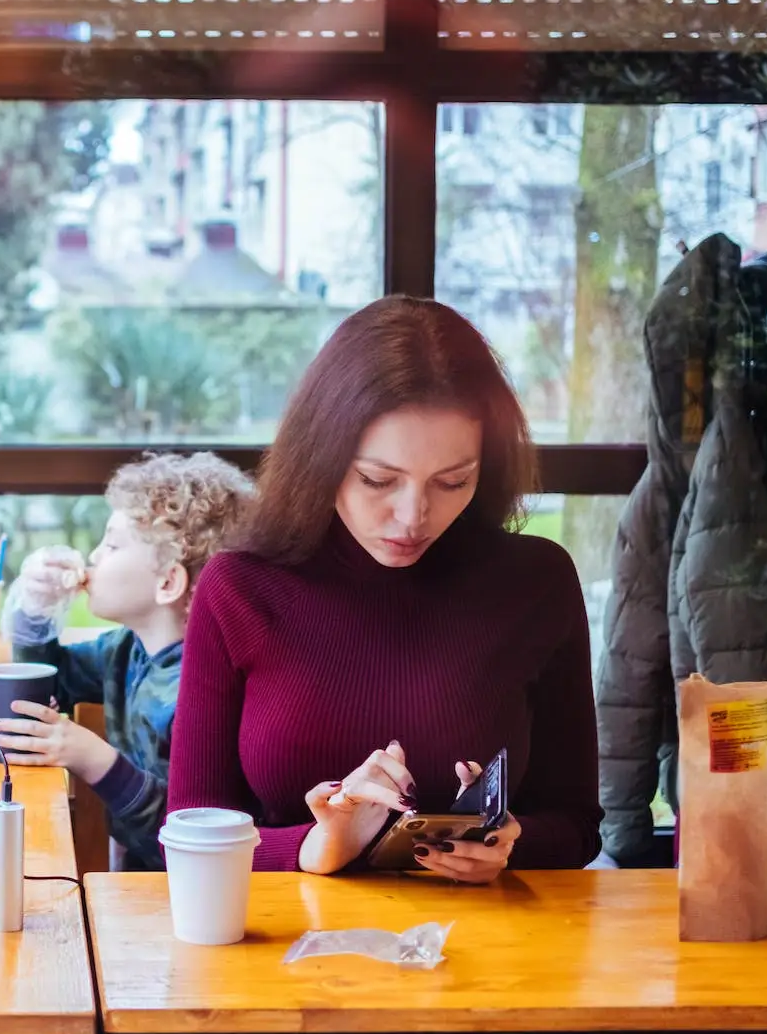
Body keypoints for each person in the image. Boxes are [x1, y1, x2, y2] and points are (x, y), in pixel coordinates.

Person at [167, 297, 602, 883]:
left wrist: (508, 844)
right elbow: (191, 829)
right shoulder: (241, 587)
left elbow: (576, 823)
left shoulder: (536, 581)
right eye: (377, 479)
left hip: (486, 954)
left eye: (453, 482)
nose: (412, 517)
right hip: (282, 950)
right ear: (320, 458)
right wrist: (315, 846)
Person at [0, 452, 253, 870]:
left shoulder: (201, 691)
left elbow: (191, 843)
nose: (94, 557)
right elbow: (49, 687)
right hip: (139, 880)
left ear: (168, 582)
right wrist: (35, 609)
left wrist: (94, 759)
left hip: (193, 894)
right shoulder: (126, 649)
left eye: (112, 545)